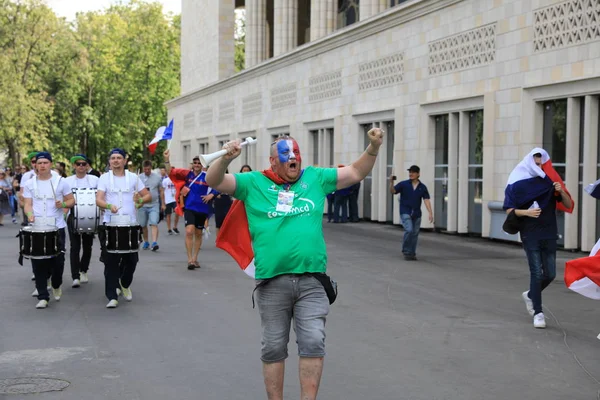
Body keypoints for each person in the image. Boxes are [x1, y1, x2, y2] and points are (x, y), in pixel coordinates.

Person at [206, 130, 384, 400]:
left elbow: (356, 172)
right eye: (286, 155)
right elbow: (215, 181)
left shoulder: (316, 178)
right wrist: (224, 159)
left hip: (312, 281)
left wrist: (373, 147)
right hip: (272, 281)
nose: (293, 159)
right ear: (272, 161)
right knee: (274, 347)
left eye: (296, 154)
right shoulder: (253, 182)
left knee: (313, 341)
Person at [503, 148, 573, 329]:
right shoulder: (517, 185)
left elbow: (567, 203)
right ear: (529, 161)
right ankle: (538, 312)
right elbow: (510, 210)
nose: (539, 165)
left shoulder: (549, 182)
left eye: (541, 162)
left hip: (549, 232)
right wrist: (527, 212)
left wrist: (561, 190)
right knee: (536, 272)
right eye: (536, 161)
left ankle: (531, 295)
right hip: (530, 233)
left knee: (550, 274)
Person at [96, 148, 151, 308]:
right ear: (109, 161)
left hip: (131, 225)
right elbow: (98, 199)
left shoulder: (133, 177)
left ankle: (124, 283)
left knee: (131, 260)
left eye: (119, 158)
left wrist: (140, 201)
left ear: (124, 161)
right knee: (110, 260)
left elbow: (147, 195)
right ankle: (112, 295)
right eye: (113, 158)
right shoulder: (104, 178)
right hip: (110, 224)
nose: (116, 160)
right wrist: (108, 205)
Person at [22, 152, 75, 309]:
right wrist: (30, 215)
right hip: (37, 227)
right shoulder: (30, 184)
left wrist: (64, 205)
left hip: (56, 226)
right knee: (38, 261)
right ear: (36, 165)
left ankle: (56, 284)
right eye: (39, 163)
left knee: (57, 262)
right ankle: (43, 296)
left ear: (51, 164)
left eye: (45, 162)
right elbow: (27, 204)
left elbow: (71, 200)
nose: (42, 165)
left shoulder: (61, 182)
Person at [164, 153, 215, 270]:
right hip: (189, 208)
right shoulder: (187, 174)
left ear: (203, 165)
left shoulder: (208, 176)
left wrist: (211, 195)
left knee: (198, 233)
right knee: (189, 231)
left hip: (202, 209)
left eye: (199, 163)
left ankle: (195, 258)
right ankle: (189, 260)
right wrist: (166, 160)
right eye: (195, 163)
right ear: (192, 164)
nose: (197, 165)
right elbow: (170, 173)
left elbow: (218, 185)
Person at [65, 154, 99, 287]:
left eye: (83, 164)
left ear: (87, 166)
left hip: (90, 217)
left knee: (87, 246)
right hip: (73, 216)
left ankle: (84, 270)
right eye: (78, 164)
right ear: (74, 166)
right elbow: (64, 198)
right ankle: (75, 276)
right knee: (74, 247)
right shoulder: (67, 181)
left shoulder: (95, 180)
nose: (81, 166)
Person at [389, 165, 433, 261]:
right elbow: (393, 191)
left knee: (414, 234)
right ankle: (406, 250)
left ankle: (412, 253)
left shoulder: (422, 187)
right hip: (405, 211)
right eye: (410, 172)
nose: (411, 174)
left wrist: (430, 213)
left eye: (413, 172)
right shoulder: (404, 184)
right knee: (409, 230)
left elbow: (426, 200)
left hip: (417, 213)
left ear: (418, 174)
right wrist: (391, 182)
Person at [138, 160, 163, 251]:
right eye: (145, 169)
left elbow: (161, 190)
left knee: (154, 222)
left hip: (154, 204)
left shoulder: (157, 177)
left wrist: (163, 203)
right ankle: (146, 241)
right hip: (142, 204)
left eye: (148, 169)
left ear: (151, 168)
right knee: (143, 224)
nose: (147, 171)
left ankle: (154, 242)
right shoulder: (139, 178)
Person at [211, 169, 232, 236]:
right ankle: (218, 239)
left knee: (227, 220)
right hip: (219, 201)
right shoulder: (215, 179)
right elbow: (211, 189)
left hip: (227, 199)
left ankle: (226, 239)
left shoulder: (230, 179)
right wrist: (216, 194)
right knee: (219, 221)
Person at [160, 167, 180, 235]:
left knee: (177, 213)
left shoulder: (176, 180)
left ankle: (175, 227)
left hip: (175, 199)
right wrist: (163, 202)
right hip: (168, 200)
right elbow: (162, 191)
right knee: (168, 215)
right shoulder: (165, 180)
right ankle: (169, 229)